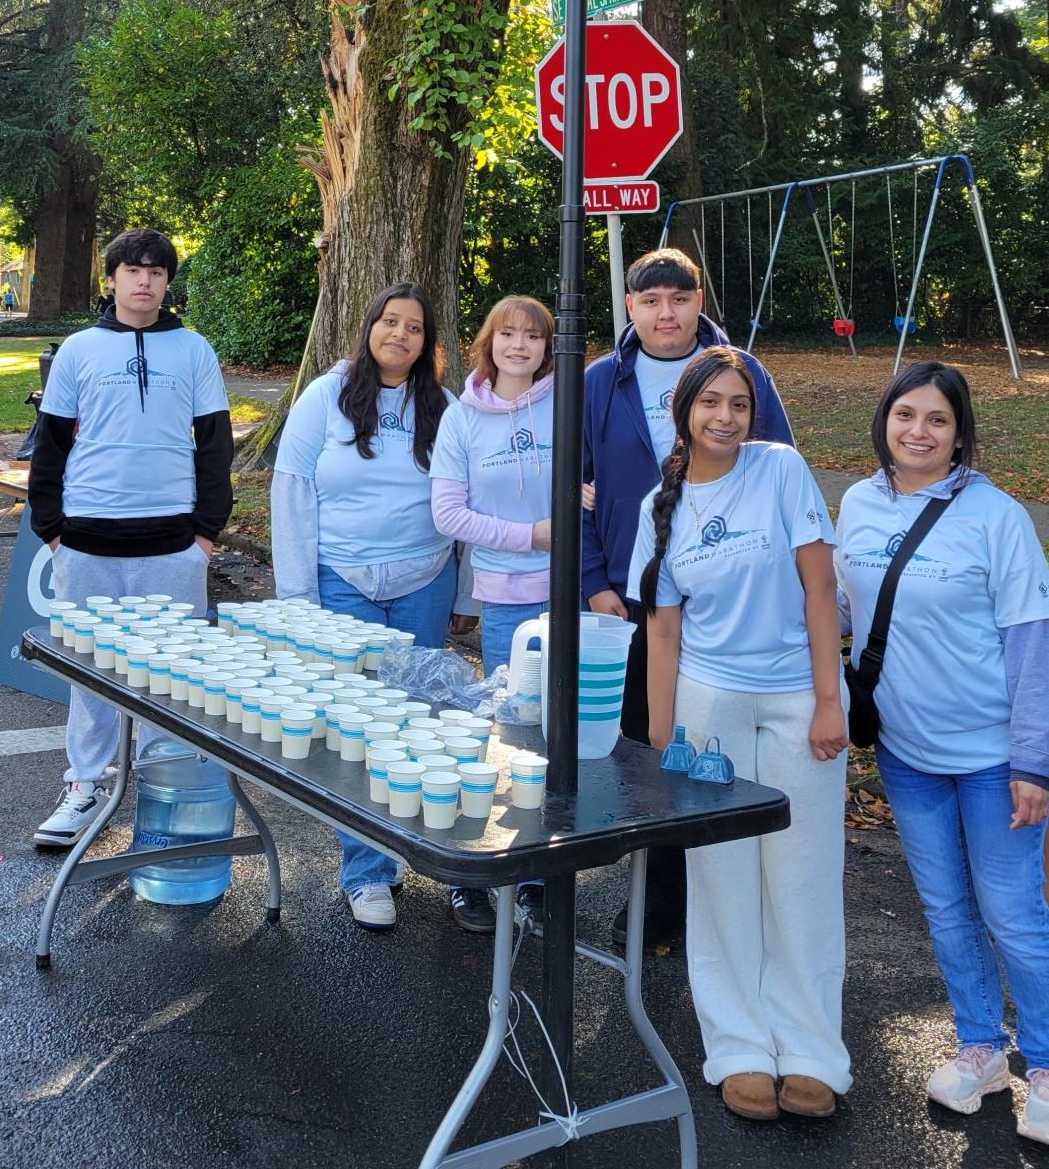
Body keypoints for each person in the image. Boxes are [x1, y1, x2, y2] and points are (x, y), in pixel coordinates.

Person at [836, 363, 1049, 1149]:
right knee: (944, 909)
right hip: (907, 751)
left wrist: (1032, 762)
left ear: (959, 433)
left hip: (991, 756)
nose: (917, 430)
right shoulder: (858, 503)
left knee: (1012, 913)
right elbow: (838, 605)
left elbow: (1033, 642)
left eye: (936, 420)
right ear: (883, 421)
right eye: (904, 414)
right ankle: (980, 1047)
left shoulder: (996, 516)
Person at [629, 346, 848, 1122]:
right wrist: (661, 746)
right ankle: (739, 1044)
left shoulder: (781, 470)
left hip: (796, 697)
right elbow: (661, 636)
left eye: (739, 403)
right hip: (708, 705)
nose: (725, 415)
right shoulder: (661, 507)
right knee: (721, 879)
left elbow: (820, 588)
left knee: (802, 875)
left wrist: (830, 700)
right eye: (710, 401)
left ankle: (813, 1048)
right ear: (683, 411)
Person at [583, 245, 794, 954]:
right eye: (650, 299)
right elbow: (575, 491)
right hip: (636, 608)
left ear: (698, 300)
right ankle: (657, 902)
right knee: (653, 756)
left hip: (728, 607)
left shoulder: (741, 372)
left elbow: (780, 480)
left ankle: (736, 910)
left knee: (723, 757)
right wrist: (596, 583)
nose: (665, 311)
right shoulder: (598, 383)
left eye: (679, 296)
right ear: (631, 308)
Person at [29, 227, 237, 856]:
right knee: (90, 673)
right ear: (111, 278)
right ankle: (85, 785)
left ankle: (157, 791)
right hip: (87, 542)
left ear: (168, 282)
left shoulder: (194, 351)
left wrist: (204, 534)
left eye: (157, 271)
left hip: (172, 546)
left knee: (169, 677)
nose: (145, 281)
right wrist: (53, 531)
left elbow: (216, 446)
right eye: (133, 270)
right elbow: (52, 444)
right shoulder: (79, 350)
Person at [272, 282, 469, 931]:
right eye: (390, 322)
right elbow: (293, 491)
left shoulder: (443, 405)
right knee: (357, 730)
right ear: (369, 328)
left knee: (420, 726)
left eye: (415, 327)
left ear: (426, 342)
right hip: (342, 581)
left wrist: (463, 593)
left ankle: (434, 854)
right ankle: (366, 871)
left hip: (424, 579)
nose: (400, 335)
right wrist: (297, 598)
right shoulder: (325, 397)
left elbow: (467, 497)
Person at [431, 293, 554, 933]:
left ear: (546, 347)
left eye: (532, 337)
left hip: (569, 596)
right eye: (507, 334)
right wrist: (529, 535)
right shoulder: (463, 418)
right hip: (506, 598)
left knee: (557, 744)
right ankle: (472, 874)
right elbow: (448, 515)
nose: (519, 346)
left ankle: (535, 878)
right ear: (488, 341)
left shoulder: (569, 401)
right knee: (506, 739)